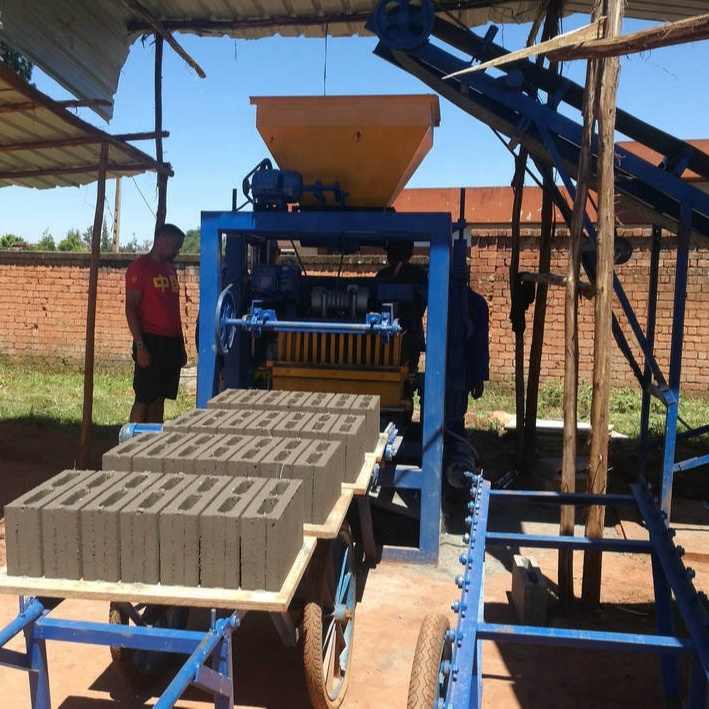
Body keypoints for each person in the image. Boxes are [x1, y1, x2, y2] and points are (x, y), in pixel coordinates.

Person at [125, 223, 187, 423]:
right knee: (144, 398)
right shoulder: (140, 267)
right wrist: (140, 345)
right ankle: (131, 440)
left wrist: (181, 346)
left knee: (160, 398)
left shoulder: (170, 269)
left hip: (171, 343)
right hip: (150, 341)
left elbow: (173, 310)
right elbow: (131, 308)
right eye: (175, 246)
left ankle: (152, 439)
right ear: (162, 240)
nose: (177, 251)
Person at [374, 241, 427, 372]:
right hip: (410, 333)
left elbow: (373, 304)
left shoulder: (383, 275)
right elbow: (422, 303)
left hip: (388, 336)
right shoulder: (419, 274)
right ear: (410, 254)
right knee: (409, 371)